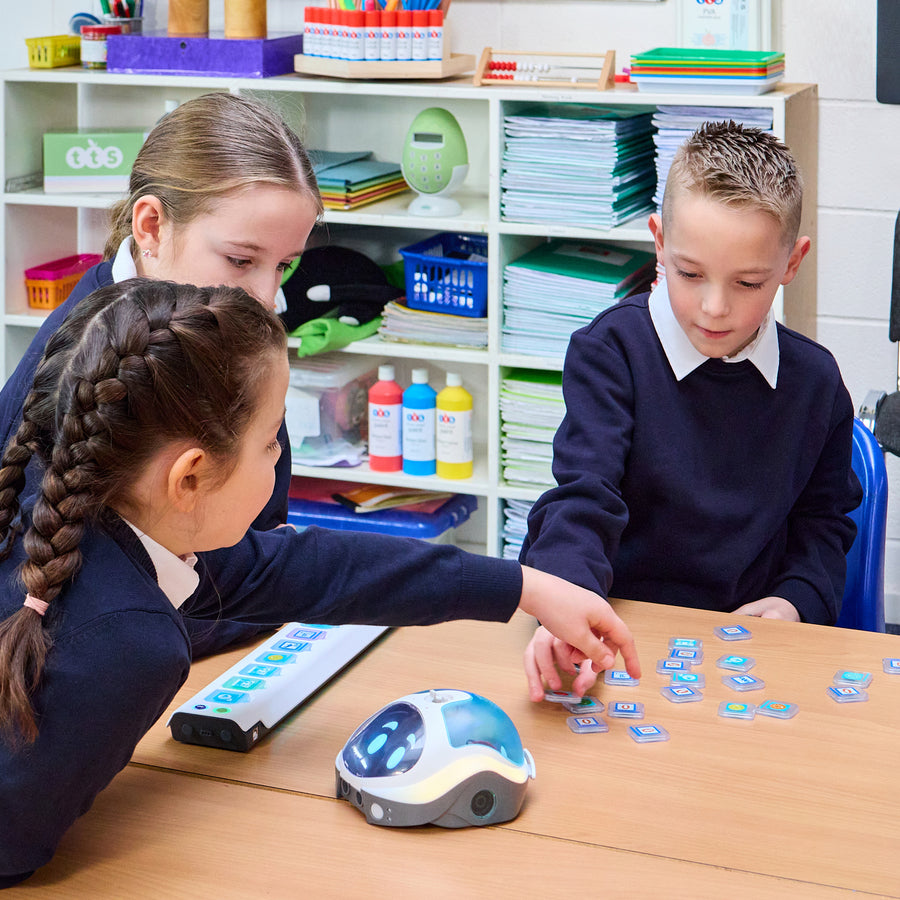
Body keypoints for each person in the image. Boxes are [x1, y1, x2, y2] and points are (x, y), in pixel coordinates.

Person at [0, 279, 640, 886]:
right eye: (269, 444)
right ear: (189, 478)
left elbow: (307, 568)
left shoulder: (73, 508)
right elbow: (12, 852)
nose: (281, 457)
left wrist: (526, 586)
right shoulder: (130, 643)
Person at [520, 121, 861, 700]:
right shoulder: (611, 352)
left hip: (743, 648)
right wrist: (566, 596)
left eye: (748, 283)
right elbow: (583, 496)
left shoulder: (816, 383)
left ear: (792, 263)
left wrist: (794, 600)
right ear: (658, 242)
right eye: (689, 274)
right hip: (613, 627)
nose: (714, 307)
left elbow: (822, 523)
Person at [0, 92, 322, 657]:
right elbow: (83, 616)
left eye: (284, 265)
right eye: (241, 260)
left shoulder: (210, 334)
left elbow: (261, 533)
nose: (267, 297)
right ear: (150, 226)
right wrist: (272, 592)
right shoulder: (78, 371)